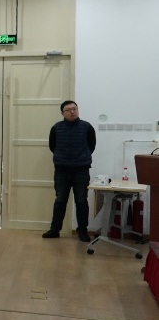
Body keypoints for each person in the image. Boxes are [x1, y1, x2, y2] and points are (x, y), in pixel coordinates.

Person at [45, 100, 96, 241]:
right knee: (60, 200)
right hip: (62, 170)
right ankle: (55, 230)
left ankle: (82, 231)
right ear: (62, 113)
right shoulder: (56, 128)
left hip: (81, 170)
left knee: (81, 201)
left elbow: (91, 146)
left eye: (74, 109)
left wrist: (81, 158)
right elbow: (52, 146)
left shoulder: (87, 127)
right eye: (68, 110)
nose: (72, 112)